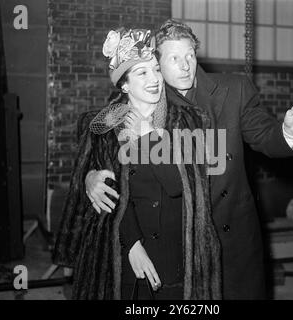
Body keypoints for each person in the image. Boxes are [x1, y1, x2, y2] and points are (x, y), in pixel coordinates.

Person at [84, 20, 293, 300]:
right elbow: (110, 154)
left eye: (190, 56)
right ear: (157, 62)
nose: (185, 65)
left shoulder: (234, 90)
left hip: (232, 236)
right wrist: (90, 177)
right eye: (174, 58)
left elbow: (266, 135)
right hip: (182, 245)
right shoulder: (146, 100)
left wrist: (288, 131)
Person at [52, 27, 222, 300]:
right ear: (124, 84)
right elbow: (106, 196)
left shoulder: (189, 121)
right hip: (121, 253)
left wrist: (147, 136)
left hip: (175, 256)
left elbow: (181, 185)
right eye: (142, 73)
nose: (154, 78)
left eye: (156, 69)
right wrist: (130, 244)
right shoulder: (103, 125)